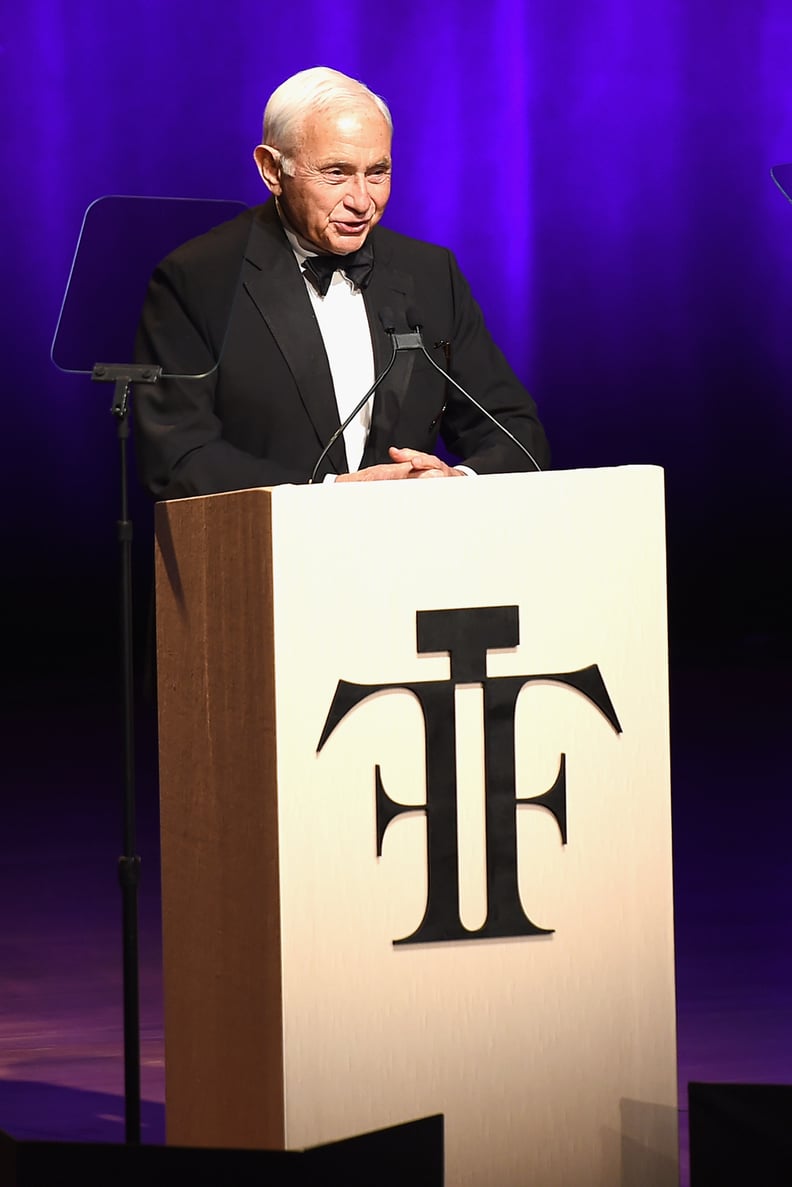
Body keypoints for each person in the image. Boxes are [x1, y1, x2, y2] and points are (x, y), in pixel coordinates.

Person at [133, 67, 549, 499]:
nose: (362, 201)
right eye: (335, 173)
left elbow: (516, 434)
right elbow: (178, 453)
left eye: (378, 172)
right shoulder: (199, 277)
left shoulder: (431, 273)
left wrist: (452, 484)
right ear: (272, 170)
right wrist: (330, 492)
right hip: (264, 552)